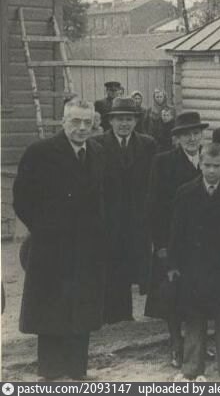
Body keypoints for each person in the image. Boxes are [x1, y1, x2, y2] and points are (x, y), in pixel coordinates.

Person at [13, 98, 107, 380]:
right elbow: (22, 199)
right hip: (51, 247)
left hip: (86, 248)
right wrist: (45, 229)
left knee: (81, 309)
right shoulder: (40, 152)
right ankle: (51, 372)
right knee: (51, 309)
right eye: (76, 121)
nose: (82, 128)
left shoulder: (97, 152)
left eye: (87, 122)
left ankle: (77, 370)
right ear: (64, 121)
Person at [168, 143, 220, 382]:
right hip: (193, 268)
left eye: (216, 166)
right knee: (194, 318)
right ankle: (192, 366)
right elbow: (176, 232)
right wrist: (173, 265)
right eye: (207, 165)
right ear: (200, 164)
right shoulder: (185, 192)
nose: (211, 170)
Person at [145, 111, 209, 369]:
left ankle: (198, 342)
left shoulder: (210, 159)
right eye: (186, 135)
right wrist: (161, 245)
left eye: (196, 133)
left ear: (202, 135)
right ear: (177, 138)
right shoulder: (163, 162)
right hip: (174, 241)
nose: (192, 139)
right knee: (172, 294)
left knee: (200, 292)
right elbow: (154, 206)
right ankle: (176, 342)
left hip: (203, 242)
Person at [95, 97, 157, 324]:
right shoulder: (97, 144)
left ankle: (127, 316)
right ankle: (111, 316)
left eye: (129, 119)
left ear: (136, 121)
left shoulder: (148, 144)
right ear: (111, 121)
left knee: (133, 264)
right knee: (111, 265)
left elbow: (153, 180)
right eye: (119, 119)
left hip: (137, 218)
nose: (124, 124)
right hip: (109, 218)